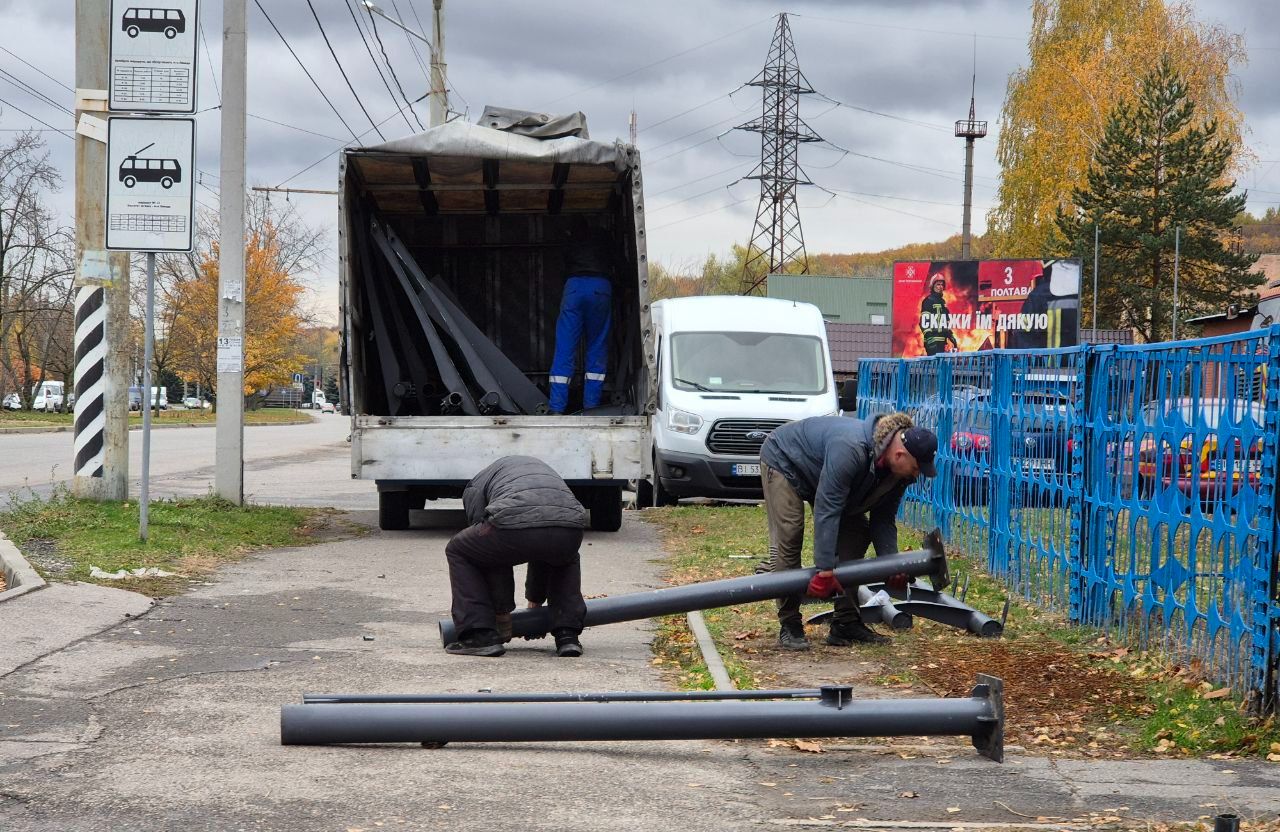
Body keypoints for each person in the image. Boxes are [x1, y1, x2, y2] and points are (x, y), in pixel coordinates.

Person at [758, 412, 938, 650]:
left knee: (856, 533)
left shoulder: (898, 474)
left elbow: (882, 520)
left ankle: (846, 622)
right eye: (916, 468)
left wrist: (892, 565)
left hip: (826, 474)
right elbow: (827, 508)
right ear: (899, 454)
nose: (917, 475)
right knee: (789, 537)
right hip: (786, 461)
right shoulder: (852, 448)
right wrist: (824, 570)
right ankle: (789, 623)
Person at [443, 456, 589, 658]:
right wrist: (535, 604)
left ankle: (479, 636)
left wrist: (502, 614)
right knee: (563, 555)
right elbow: (542, 545)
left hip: (517, 523)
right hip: (570, 527)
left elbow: (489, 556)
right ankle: (568, 637)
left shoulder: (475, 485)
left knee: (460, 549)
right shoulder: (538, 470)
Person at [548, 234, 614, 414]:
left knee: (565, 347)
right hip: (601, 287)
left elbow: (559, 266)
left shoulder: (570, 241)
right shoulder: (605, 241)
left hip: (574, 287)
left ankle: (556, 408)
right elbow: (622, 266)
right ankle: (591, 408)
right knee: (597, 346)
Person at [920, 275, 959, 356]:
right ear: (932, 286)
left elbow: (944, 322)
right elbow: (923, 323)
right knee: (934, 367)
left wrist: (950, 336)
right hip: (932, 343)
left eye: (942, 285)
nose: (940, 287)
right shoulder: (928, 301)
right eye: (938, 284)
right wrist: (930, 338)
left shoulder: (942, 302)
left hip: (942, 342)